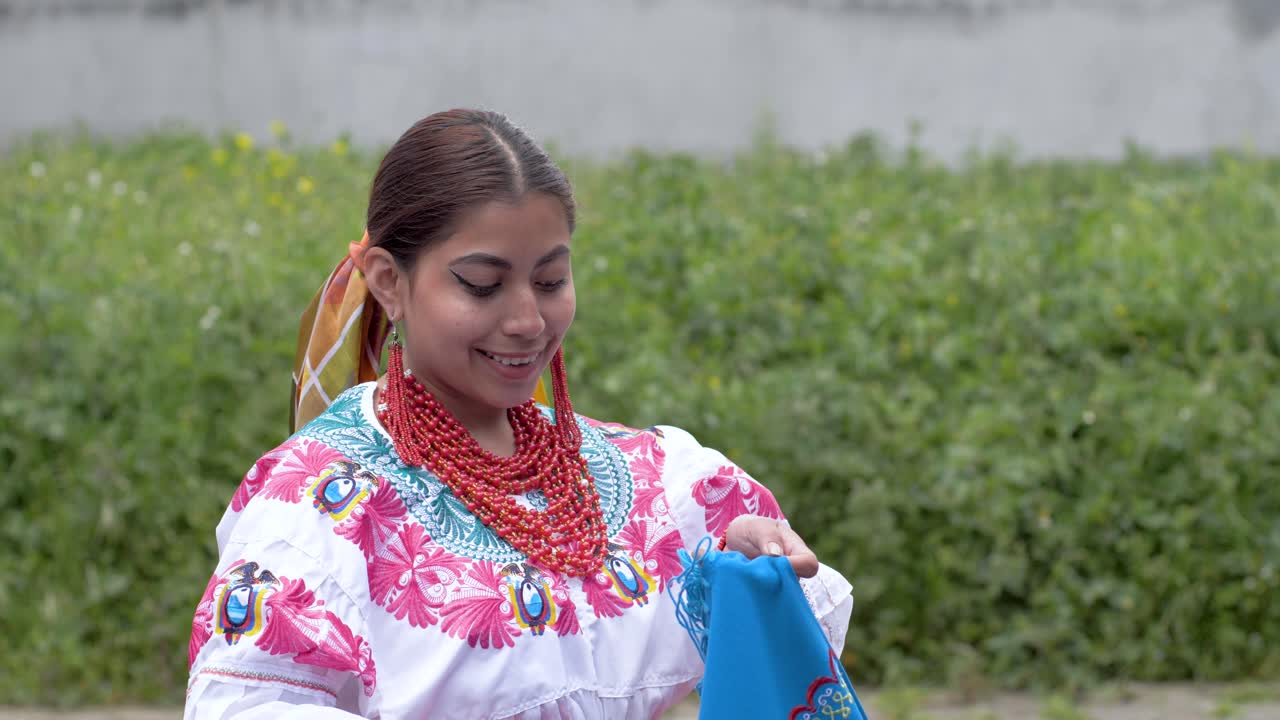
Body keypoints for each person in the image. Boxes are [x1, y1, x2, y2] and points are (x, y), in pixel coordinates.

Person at [184, 108, 854, 719]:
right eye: (482, 285)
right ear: (390, 281)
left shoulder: (646, 479)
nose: (528, 320)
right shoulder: (318, 505)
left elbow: (784, 657)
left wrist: (740, 578)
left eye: (550, 281)